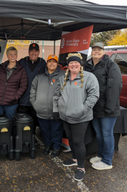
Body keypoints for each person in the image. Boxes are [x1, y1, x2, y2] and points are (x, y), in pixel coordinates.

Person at [53, 53, 99, 181]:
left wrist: (82, 110)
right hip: (65, 116)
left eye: (76, 62)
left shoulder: (90, 77)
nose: (73, 65)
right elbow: (56, 95)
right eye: (71, 63)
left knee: (78, 142)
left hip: (81, 117)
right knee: (71, 140)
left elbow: (94, 96)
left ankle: (80, 167)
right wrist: (56, 110)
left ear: (80, 64)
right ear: (67, 66)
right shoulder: (63, 78)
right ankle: (74, 158)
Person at [85, 42, 122, 170]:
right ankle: (101, 155)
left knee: (107, 134)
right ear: (91, 51)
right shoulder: (87, 65)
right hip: (94, 108)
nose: (96, 51)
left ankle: (107, 161)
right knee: (99, 134)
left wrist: (110, 107)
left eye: (99, 49)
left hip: (107, 108)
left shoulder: (111, 65)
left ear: (103, 51)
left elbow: (115, 87)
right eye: (94, 49)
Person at [30, 54, 65, 157]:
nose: (52, 63)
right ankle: (48, 145)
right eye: (50, 61)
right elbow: (32, 92)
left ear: (57, 63)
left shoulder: (63, 75)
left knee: (57, 130)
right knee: (45, 130)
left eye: (54, 61)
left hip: (56, 111)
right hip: (41, 111)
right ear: (46, 64)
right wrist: (35, 104)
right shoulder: (39, 77)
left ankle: (56, 147)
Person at [18, 43, 46, 141]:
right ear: (28, 52)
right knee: (22, 121)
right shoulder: (22, 62)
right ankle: (22, 139)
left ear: (38, 52)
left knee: (34, 121)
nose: (33, 53)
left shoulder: (43, 63)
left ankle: (32, 138)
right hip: (23, 99)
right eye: (31, 51)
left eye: (36, 51)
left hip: (37, 99)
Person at [0, 46, 28, 121]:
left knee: (10, 122)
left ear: (17, 56)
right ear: (7, 56)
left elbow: (23, 86)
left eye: (14, 54)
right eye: (10, 54)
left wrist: (15, 97)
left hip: (11, 103)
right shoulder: (1, 68)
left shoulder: (21, 70)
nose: (12, 56)